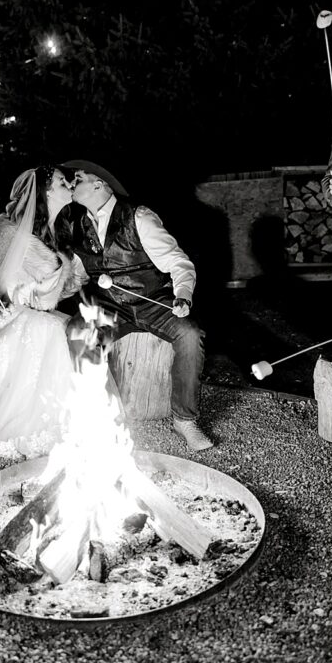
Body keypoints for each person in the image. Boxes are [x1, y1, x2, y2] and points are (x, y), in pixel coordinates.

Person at [55, 160, 211, 451]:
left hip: (154, 302)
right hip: (111, 307)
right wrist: (47, 297)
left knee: (190, 335)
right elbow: (77, 275)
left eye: (79, 178)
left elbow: (179, 263)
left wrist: (183, 295)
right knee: (78, 330)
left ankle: (185, 420)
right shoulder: (78, 225)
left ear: (99, 184)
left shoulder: (139, 216)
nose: (73, 184)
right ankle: (102, 416)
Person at [0, 165, 85, 458]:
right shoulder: (15, 232)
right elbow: (43, 300)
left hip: (21, 310)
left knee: (65, 327)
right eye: (60, 182)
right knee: (50, 328)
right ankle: (25, 421)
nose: (69, 185)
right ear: (44, 192)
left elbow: (54, 293)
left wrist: (69, 269)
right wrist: (68, 269)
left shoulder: (54, 229)